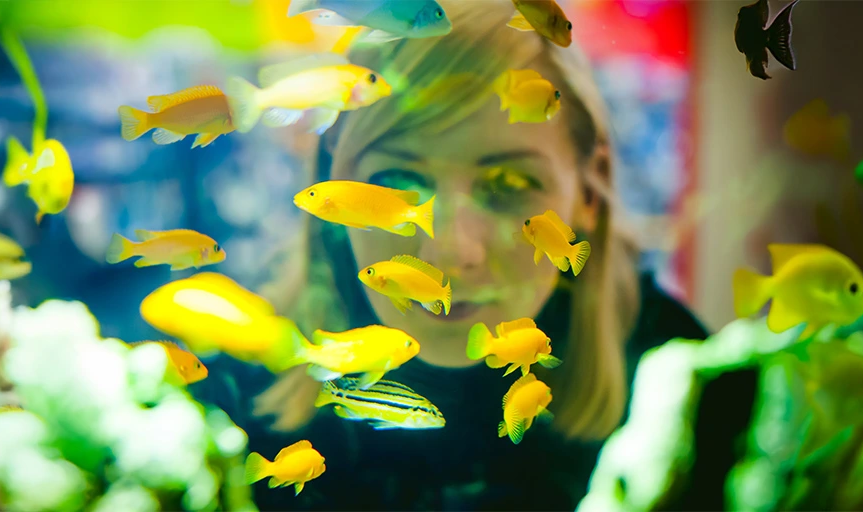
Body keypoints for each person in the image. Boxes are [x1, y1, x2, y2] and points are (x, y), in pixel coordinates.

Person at [193, 2, 707, 510]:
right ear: (333, 192)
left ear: (587, 196)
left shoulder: (693, 388)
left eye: (509, 183)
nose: (449, 251)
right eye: (395, 182)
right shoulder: (225, 399)